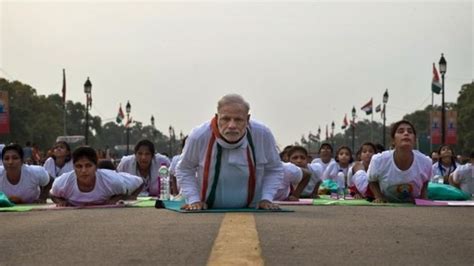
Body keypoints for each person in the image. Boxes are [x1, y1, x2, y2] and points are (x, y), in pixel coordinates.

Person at [176, 94, 283, 210]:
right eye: (226, 119)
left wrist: (266, 198)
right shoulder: (199, 136)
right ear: (217, 118)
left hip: (253, 209)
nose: (232, 125)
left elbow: (274, 169)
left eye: (238, 120)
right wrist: (194, 200)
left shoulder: (262, 134)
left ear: (247, 119)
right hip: (207, 210)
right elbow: (184, 168)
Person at [50, 146, 143, 206]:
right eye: (79, 166)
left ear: (96, 167)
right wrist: (60, 202)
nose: (83, 171)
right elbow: (52, 194)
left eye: (88, 166)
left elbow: (140, 182)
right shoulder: (62, 183)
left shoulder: (114, 182)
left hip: (115, 177)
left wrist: (128, 197)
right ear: (73, 167)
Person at [368, 120, 432, 203]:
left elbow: (426, 181)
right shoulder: (378, 160)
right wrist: (379, 196)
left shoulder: (426, 162)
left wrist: (423, 198)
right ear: (393, 140)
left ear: (414, 140)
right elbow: (372, 180)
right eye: (401, 131)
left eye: (410, 131)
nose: (406, 133)